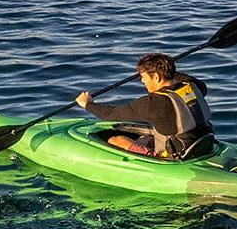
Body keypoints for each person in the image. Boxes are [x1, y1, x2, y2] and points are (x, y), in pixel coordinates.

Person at [75, 54, 215, 159]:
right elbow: (181, 77)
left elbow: (111, 114)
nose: (142, 81)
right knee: (143, 137)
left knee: (115, 140)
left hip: (177, 155)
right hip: (203, 144)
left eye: (144, 77)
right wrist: (166, 70)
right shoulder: (194, 86)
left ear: (156, 77)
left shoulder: (153, 103)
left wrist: (87, 104)